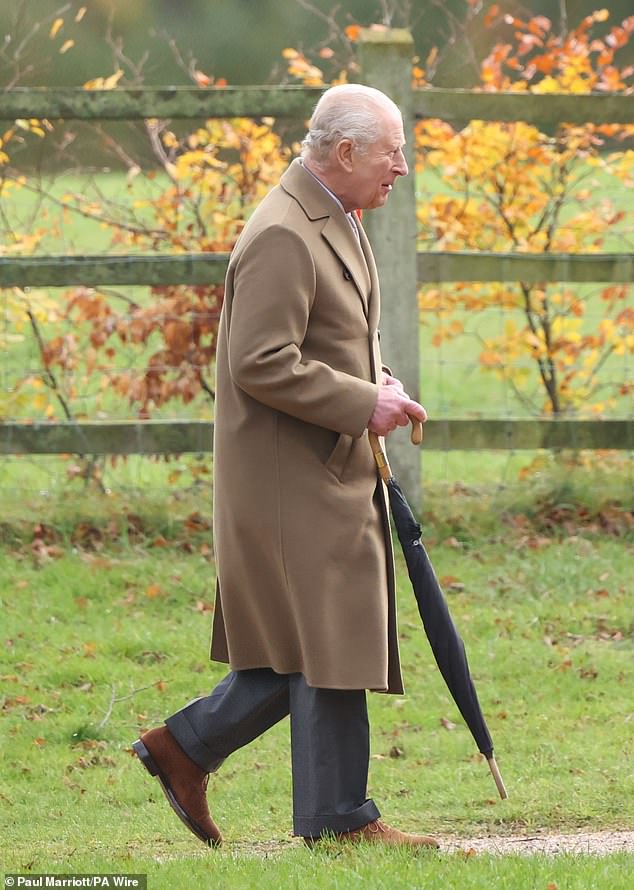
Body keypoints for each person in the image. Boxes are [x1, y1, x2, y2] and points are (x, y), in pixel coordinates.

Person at [132, 83, 437, 849]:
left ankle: (187, 749)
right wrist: (359, 404)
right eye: (392, 151)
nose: (402, 166)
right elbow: (260, 362)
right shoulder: (282, 233)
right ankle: (338, 822)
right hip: (288, 478)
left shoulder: (334, 215)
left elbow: (334, 334)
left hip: (321, 467)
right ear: (344, 153)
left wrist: (381, 382)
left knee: (319, 640)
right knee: (325, 637)